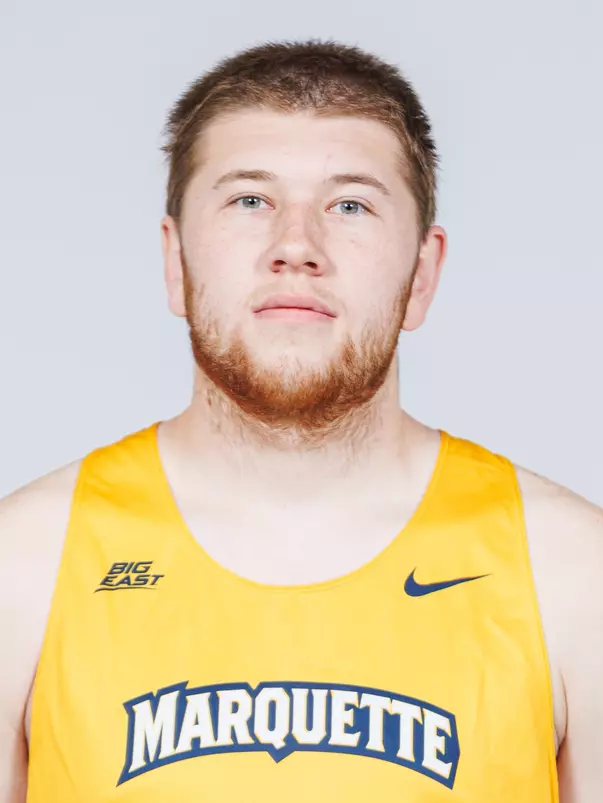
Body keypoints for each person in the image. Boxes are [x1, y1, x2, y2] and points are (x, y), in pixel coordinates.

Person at [1, 38, 601, 803]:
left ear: (421, 275)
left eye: (349, 205)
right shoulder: (22, 565)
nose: (295, 246)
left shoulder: (575, 574)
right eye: (249, 199)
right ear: (174, 261)